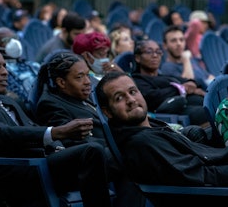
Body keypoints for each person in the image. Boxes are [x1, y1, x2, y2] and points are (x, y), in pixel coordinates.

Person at [0, 45, 112, 207]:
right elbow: (0, 133)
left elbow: (33, 126)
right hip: (14, 174)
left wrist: (58, 148)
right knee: (91, 152)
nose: (4, 72)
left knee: (107, 154)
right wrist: (57, 133)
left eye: (4, 66)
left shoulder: (7, 101)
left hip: (36, 164)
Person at [35, 51, 146, 207]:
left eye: (88, 75)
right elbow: (73, 142)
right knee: (135, 157)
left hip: (108, 152)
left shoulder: (82, 96)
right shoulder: (50, 104)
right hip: (87, 165)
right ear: (61, 82)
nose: (88, 82)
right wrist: (118, 144)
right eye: (80, 77)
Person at [96, 71, 228, 189]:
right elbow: (202, 175)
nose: (130, 100)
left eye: (132, 92)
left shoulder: (150, 126)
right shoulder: (142, 142)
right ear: (107, 111)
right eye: (119, 98)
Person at [131, 39, 210, 128]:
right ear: (138, 57)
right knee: (206, 112)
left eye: (158, 52)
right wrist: (181, 89)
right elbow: (152, 96)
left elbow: (191, 81)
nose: (155, 55)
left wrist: (192, 85)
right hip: (171, 112)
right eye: (149, 52)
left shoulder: (164, 77)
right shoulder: (137, 80)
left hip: (189, 104)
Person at [0, 27, 40, 104]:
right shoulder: (0, 72)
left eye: (14, 37)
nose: (14, 42)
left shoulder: (34, 66)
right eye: (7, 40)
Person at [161, 25, 214, 90]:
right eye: (173, 41)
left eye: (181, 40)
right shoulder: (167, 67)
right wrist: (186, 60)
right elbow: (188, 86)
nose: (179, 43)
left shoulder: (192, 60)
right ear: (165, 45)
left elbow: (209, 76)